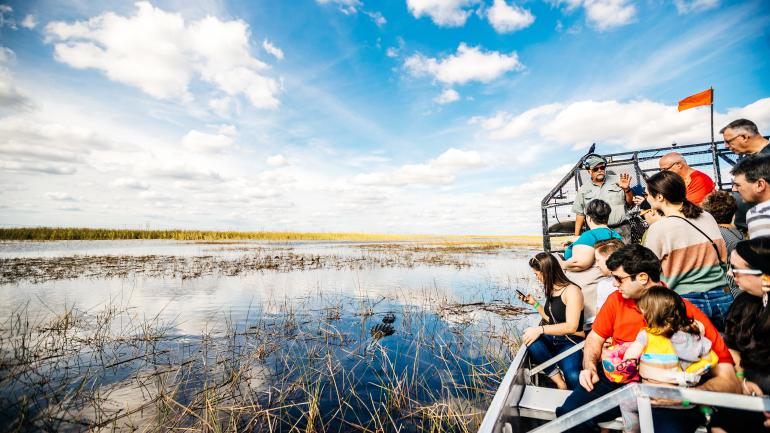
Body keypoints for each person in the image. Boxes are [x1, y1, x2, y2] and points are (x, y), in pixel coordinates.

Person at [555, 244, 739, 433]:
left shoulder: (686, 313)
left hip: (668, 388)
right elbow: (595, 336)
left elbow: (729, 380)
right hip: (617, 378)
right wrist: (589, 367)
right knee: (569, 416)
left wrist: (683, 395)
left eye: (619, 278)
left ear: (642, 277)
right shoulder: (616, 300)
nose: (614, 284)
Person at [619, 287, 719, 433]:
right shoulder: (692, 335)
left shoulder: (646, 335)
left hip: (652, 396)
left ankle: (631, 431)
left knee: (625, 401)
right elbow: (711, 359)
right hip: (684, 398)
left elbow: (629, 357)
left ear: (649, 313)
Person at [642, 171, 731, 331]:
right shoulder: (706, 216)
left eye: (648, 194)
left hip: (686, 302)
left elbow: (650, 269)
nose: (647, 198)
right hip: (722, 294)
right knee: (730, 351)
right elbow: (722, 256)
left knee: (695, 354)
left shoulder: (659, 229)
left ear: (660, 197)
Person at [710, 237, 770, 432]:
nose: (729, 273)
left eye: (735, 269)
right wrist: (741, 382)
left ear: (765, 276)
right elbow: (732, 348)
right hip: (747, 399)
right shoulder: (744, 302)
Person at [518, 252, 585, 390]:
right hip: (555, 338)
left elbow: (571, 326)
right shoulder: (552, 291)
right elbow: (552, 319)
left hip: (571, 341)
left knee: (573, 376)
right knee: (529, 338)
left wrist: (540, 329)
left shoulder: (572, 291)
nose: (537, 278)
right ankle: (559, 382)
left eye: (537, 274)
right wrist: (534, 303)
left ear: (546, 272)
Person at [720, 119, 770, 232]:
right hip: (747, 227)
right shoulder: (747, 158)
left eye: (728, 141)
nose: (726, 146)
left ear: (744, 137)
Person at [572, 154, 634, 239]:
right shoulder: (583, 189)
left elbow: (630, 203)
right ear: (589, 171)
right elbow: (580, 214)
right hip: (597, 233)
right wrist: (576, 236)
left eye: (602, 168)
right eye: (595, 169)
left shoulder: (618, 180)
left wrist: (627, 189)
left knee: (624, 253)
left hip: (621, 230)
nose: (600, 170)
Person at [701, 191, 743, 297]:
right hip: (740, 290)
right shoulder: (738, 234)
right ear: (733, 214)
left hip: (729, 292)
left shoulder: (715, 235)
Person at [731, 154, 770, 239]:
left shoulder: (759, 214)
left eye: (738, 185)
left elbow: (761, 251)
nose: (734, 189)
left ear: (760, 185)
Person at [593, 238, 625, 323]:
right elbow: (599, 316)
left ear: (609, 259)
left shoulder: (633, 283)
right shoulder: (602, 284)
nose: (596, 265)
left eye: (598, 260)